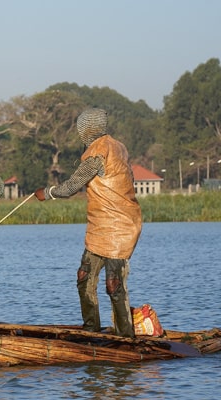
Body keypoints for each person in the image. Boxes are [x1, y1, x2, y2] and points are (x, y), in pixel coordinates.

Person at [34, 108, 142, 338]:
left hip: (120, 226)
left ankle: (125, 336)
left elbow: (71, 187)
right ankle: (91, 329)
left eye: (80, 128)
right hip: (99, 226)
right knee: (84, 277)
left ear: (87, 129)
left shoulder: (101, 151)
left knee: (114, 284)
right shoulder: (113, 146)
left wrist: (48, 192)